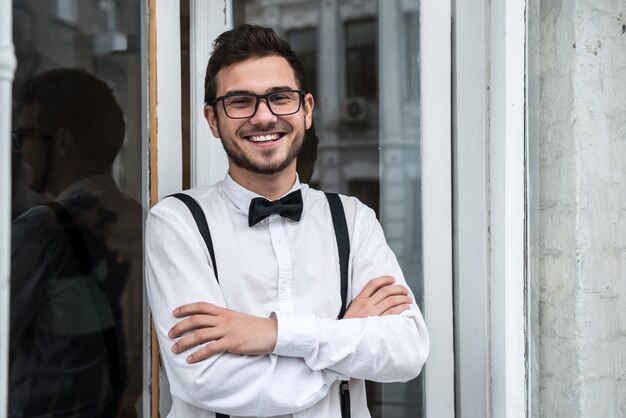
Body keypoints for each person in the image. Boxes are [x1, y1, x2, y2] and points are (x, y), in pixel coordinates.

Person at [145, 24, 429, 418]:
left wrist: (273, 334)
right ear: (212, 119)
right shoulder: (177, 223)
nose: (264, 117)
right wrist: (343, 341)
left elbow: (406, 351)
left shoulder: (353, 218)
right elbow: (205, 377)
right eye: (241, 101)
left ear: (306, 110)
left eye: (280, 97)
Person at [10, 68, 143, 417]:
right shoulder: (144, 218)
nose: (19, 150)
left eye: (24, 136)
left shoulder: (41, 230)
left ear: (63, 142)